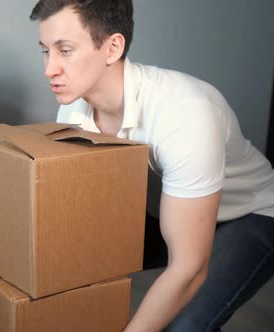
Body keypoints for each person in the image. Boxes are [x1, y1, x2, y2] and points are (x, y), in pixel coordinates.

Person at [29, 0, 274, 331]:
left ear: (113, 47)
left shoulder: (185, 113)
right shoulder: (73, 113)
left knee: (183, 324)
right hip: (168, 210)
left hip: (251, 214)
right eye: (46, 51)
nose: (49, 69)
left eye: (65, 51)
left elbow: (188, 268)